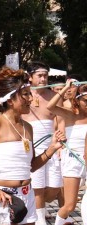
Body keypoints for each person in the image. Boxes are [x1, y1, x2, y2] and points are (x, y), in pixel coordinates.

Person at [0, 67, 66, 225]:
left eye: (30, 94)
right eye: (25, 95)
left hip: (27, 194)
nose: (30, 99)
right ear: (9, 100)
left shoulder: (27, 127)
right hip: (3, 195)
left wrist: (52, 148)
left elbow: (31, 166)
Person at [22, 62, 64, 225]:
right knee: (37, 186)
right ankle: (39, 219)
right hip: (31, 142)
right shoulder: (23, 94)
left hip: (52, 142)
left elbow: (60, 120)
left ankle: (36, 209)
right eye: (39, 75)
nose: (43, 78)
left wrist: (60, 142)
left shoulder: (54, 95)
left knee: (54, 187)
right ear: (30, 77)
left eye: (45, 75)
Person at [47, 80, 87, 225]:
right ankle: (61, 221)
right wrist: (65, 88)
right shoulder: (70, 114)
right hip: (73, 160)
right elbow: (50, 106)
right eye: (85, 101)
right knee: (69, 205)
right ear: (77, 101)